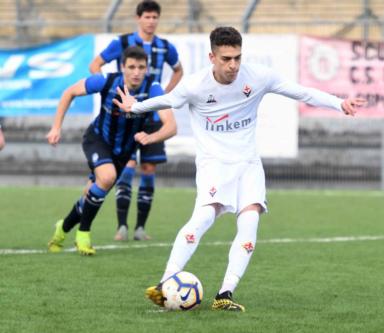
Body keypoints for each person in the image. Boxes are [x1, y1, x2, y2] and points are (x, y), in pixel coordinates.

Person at [113, 27, 365, 311]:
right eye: (226, 59)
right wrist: (135, 108)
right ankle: (164, 283)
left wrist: (338, 103)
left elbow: (302, 93)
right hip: (213, 164)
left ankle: (225, 293)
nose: (233, 65)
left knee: (250, 220)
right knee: (204, 217)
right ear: (212, 57)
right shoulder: (195, 85)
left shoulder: (258, 77)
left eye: (237, 57)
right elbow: (168, 100)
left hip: (248, 164)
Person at [46, 46, 177, 256]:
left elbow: (171, 126)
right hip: (97, 139)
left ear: (147, 69)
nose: (136, 72)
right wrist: (56, 127)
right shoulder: (106, 81)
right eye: (131, 67)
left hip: (123, 152)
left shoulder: (152, 89)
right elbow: (68, 92)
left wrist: (150, 137)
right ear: (122, 67)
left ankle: (62, 229)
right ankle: (83, 234)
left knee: (90, 196)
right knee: (107, 178)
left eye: (141, 67)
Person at [90, 0, 184, 241]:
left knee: (149, 168)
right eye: (147, 17)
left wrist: (163, 94)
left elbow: (178, 70)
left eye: (155, 17)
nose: (151, 21)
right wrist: (110, 93)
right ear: (138, 18)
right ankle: (121, 226)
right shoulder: (122, 43)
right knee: (127, 168)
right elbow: (95, 64)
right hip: (127, 117)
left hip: (151, 117)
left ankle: (140, 228)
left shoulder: (165, 46)